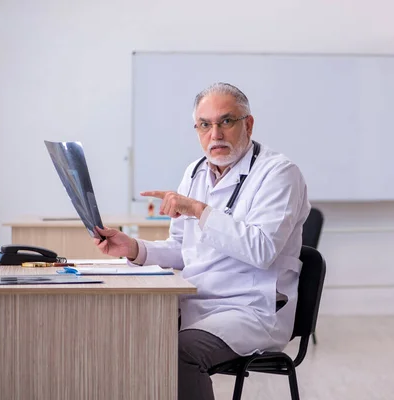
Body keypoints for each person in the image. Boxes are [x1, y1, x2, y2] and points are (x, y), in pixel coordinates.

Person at [94, 82, 311, 400]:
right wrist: (136, 249)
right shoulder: (195, 172)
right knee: (121, 337)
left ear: (247, 124)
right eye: (205, 125)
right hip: (195, 304)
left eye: (226, 121)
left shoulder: (278, 174)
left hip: (250, 310)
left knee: (179, 353)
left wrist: (198, 210)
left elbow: (263, 250)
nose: (216, 134)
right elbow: (183, 249)